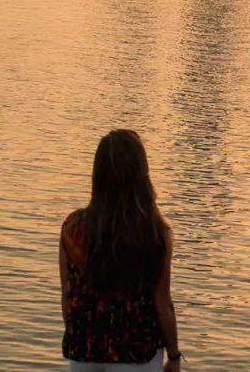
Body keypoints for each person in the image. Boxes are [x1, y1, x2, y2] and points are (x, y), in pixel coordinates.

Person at [61, 130, 183, 371]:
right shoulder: (155, 232)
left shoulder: (73, 228)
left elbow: (67, 295)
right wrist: (174, 356)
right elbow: (162, 304)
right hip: (137, 351)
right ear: (141, 175)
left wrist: (81, 337)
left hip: (84, 349)